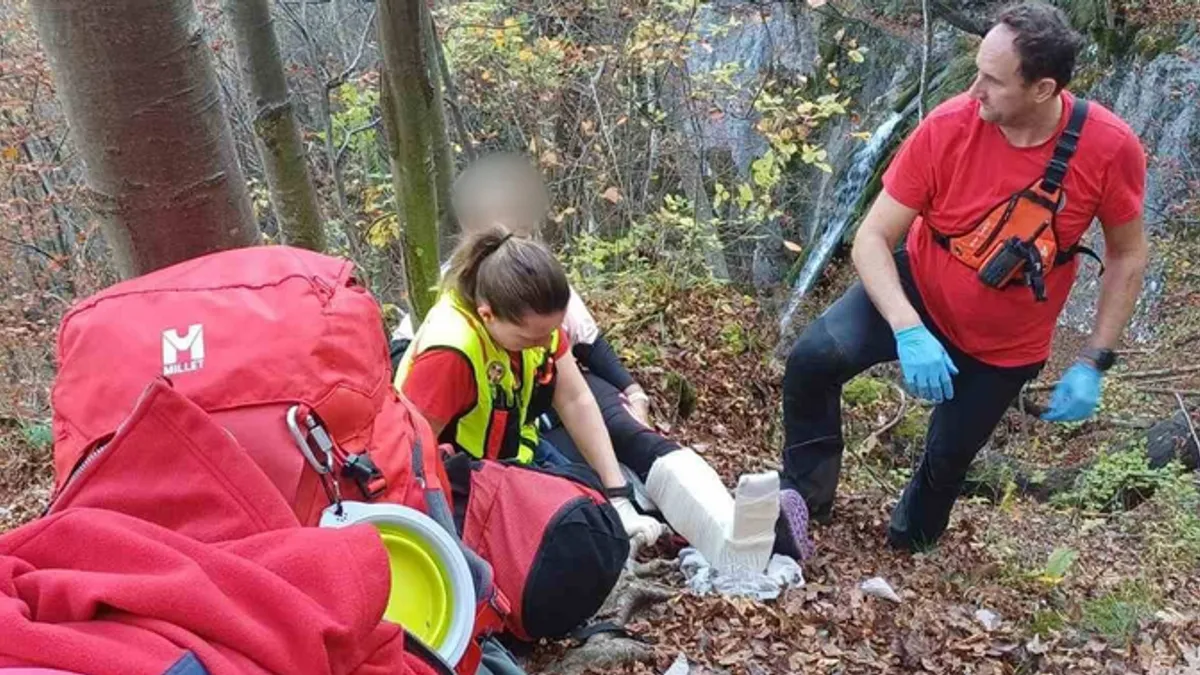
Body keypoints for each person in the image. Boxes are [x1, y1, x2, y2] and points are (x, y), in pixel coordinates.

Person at [780, 2, 1148, 552]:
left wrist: (1094, 358)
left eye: (993, 81)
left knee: (948, 459)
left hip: (1006, 345)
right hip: (919, 289)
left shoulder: (1109, 148)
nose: (974, 90)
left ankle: (909, 549)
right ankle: (804, 503)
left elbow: (1128, 253)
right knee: (812, 360)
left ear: (1043, 89)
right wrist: (907, 327)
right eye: (977, 71)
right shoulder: (949, 126)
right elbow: (872, 238)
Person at [394, 168, 810, 567]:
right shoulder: (451, 349)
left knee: (621, 447)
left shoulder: (536, 298)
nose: (545, 343)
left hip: (521, 436)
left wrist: (617, 482)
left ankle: (722, 529)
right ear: (487, 315)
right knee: (578, 516)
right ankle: (665, 524)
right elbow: (408, 452)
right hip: (471, 470)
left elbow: (577, 392)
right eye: (531, 338)